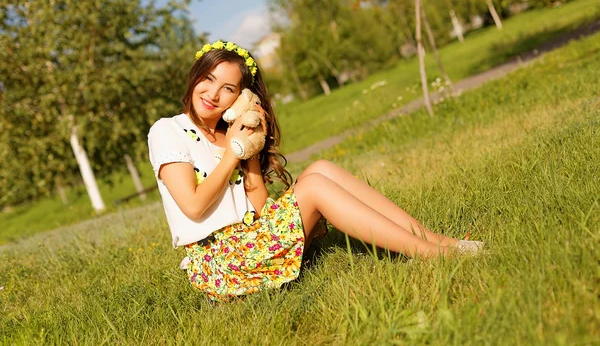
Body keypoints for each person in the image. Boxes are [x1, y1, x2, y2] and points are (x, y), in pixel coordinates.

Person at [148, 40, 483, 301]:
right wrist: (233, 153)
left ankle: (435, 240)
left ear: (241, 97)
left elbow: (262, 210)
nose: (213, 94)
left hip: (252, 240)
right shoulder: (168, 130)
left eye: (228, 89)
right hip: (221, 263)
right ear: (195, 77)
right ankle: (430, 255)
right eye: (208, 79)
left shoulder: (231, 132)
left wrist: (250, 151)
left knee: (321, 168)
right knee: (314, 189)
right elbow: (192, 206)